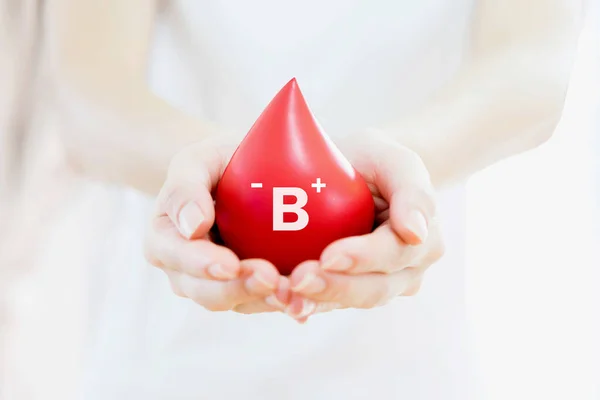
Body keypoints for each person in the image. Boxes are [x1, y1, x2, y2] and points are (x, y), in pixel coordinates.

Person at [0, 0, 585, 399]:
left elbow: (529, 70)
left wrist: (400, 167)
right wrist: (211, 172)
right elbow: (89, 92)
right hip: (170, 359)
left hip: (410, 362)